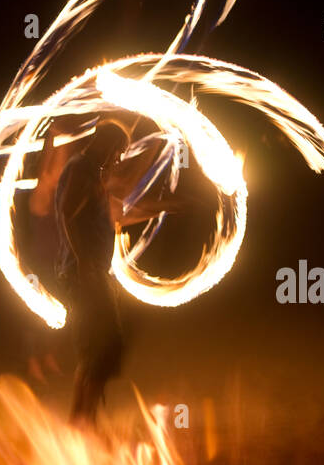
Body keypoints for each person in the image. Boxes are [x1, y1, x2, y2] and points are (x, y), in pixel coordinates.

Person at [25, 116, 202, 424]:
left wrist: (165, 206)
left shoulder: (94, 174)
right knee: (104, 346)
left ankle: (83, 419)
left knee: (99, 348)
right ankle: (82, 420)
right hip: (84, 274)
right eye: (118, 149)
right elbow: (67, 213)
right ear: (105, 143)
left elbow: (119, 215)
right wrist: (83, 262)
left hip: (92, 273)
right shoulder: (81, 169)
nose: (119, 157)